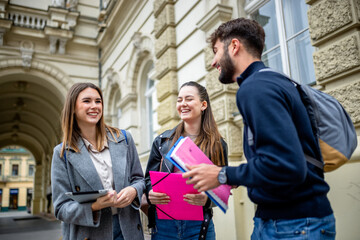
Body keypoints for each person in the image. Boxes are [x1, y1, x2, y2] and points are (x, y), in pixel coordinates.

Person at [183, 18, 336, 239]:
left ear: (234, 46)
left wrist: (222, 174)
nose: (213, 62)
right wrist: (236, 177)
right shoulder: (274, 81)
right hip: (288, 221)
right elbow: (280, 159)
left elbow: (287, 165)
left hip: (292, 226)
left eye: (216, 51)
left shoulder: (255, 88)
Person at [51, 82, 145, 240]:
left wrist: (133, 191)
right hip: (90, 233)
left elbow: (139, 179)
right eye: (87, 101)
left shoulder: (124, 139)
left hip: (127, 229)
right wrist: (95, 206)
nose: (94, 106)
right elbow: (61, 208)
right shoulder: (62, 153)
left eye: (98, 101)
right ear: (73, 108)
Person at [144, 81, 228, 240]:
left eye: (188, 99)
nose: (183, 104)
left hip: (199, 224)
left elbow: (223, 185)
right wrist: (150, 193)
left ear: (203, 105)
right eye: (179, 100)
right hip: (164, 225)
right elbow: (148, 178)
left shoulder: (217, 144)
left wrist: (207, 199)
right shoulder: (162, 141)